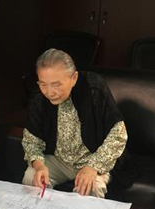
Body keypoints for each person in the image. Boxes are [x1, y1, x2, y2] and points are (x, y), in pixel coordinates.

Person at [21, 48, 127, 198]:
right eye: (43, 84)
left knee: (91, 187)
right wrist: (39, 166)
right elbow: (31, 141)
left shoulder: (93, 88)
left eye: (56, 84)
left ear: (74, 78)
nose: (49, 92)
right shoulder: (39, 97)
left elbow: (118, 135)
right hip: (58, 160)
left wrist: (93, 166)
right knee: (32, 178)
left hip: (93, 158)